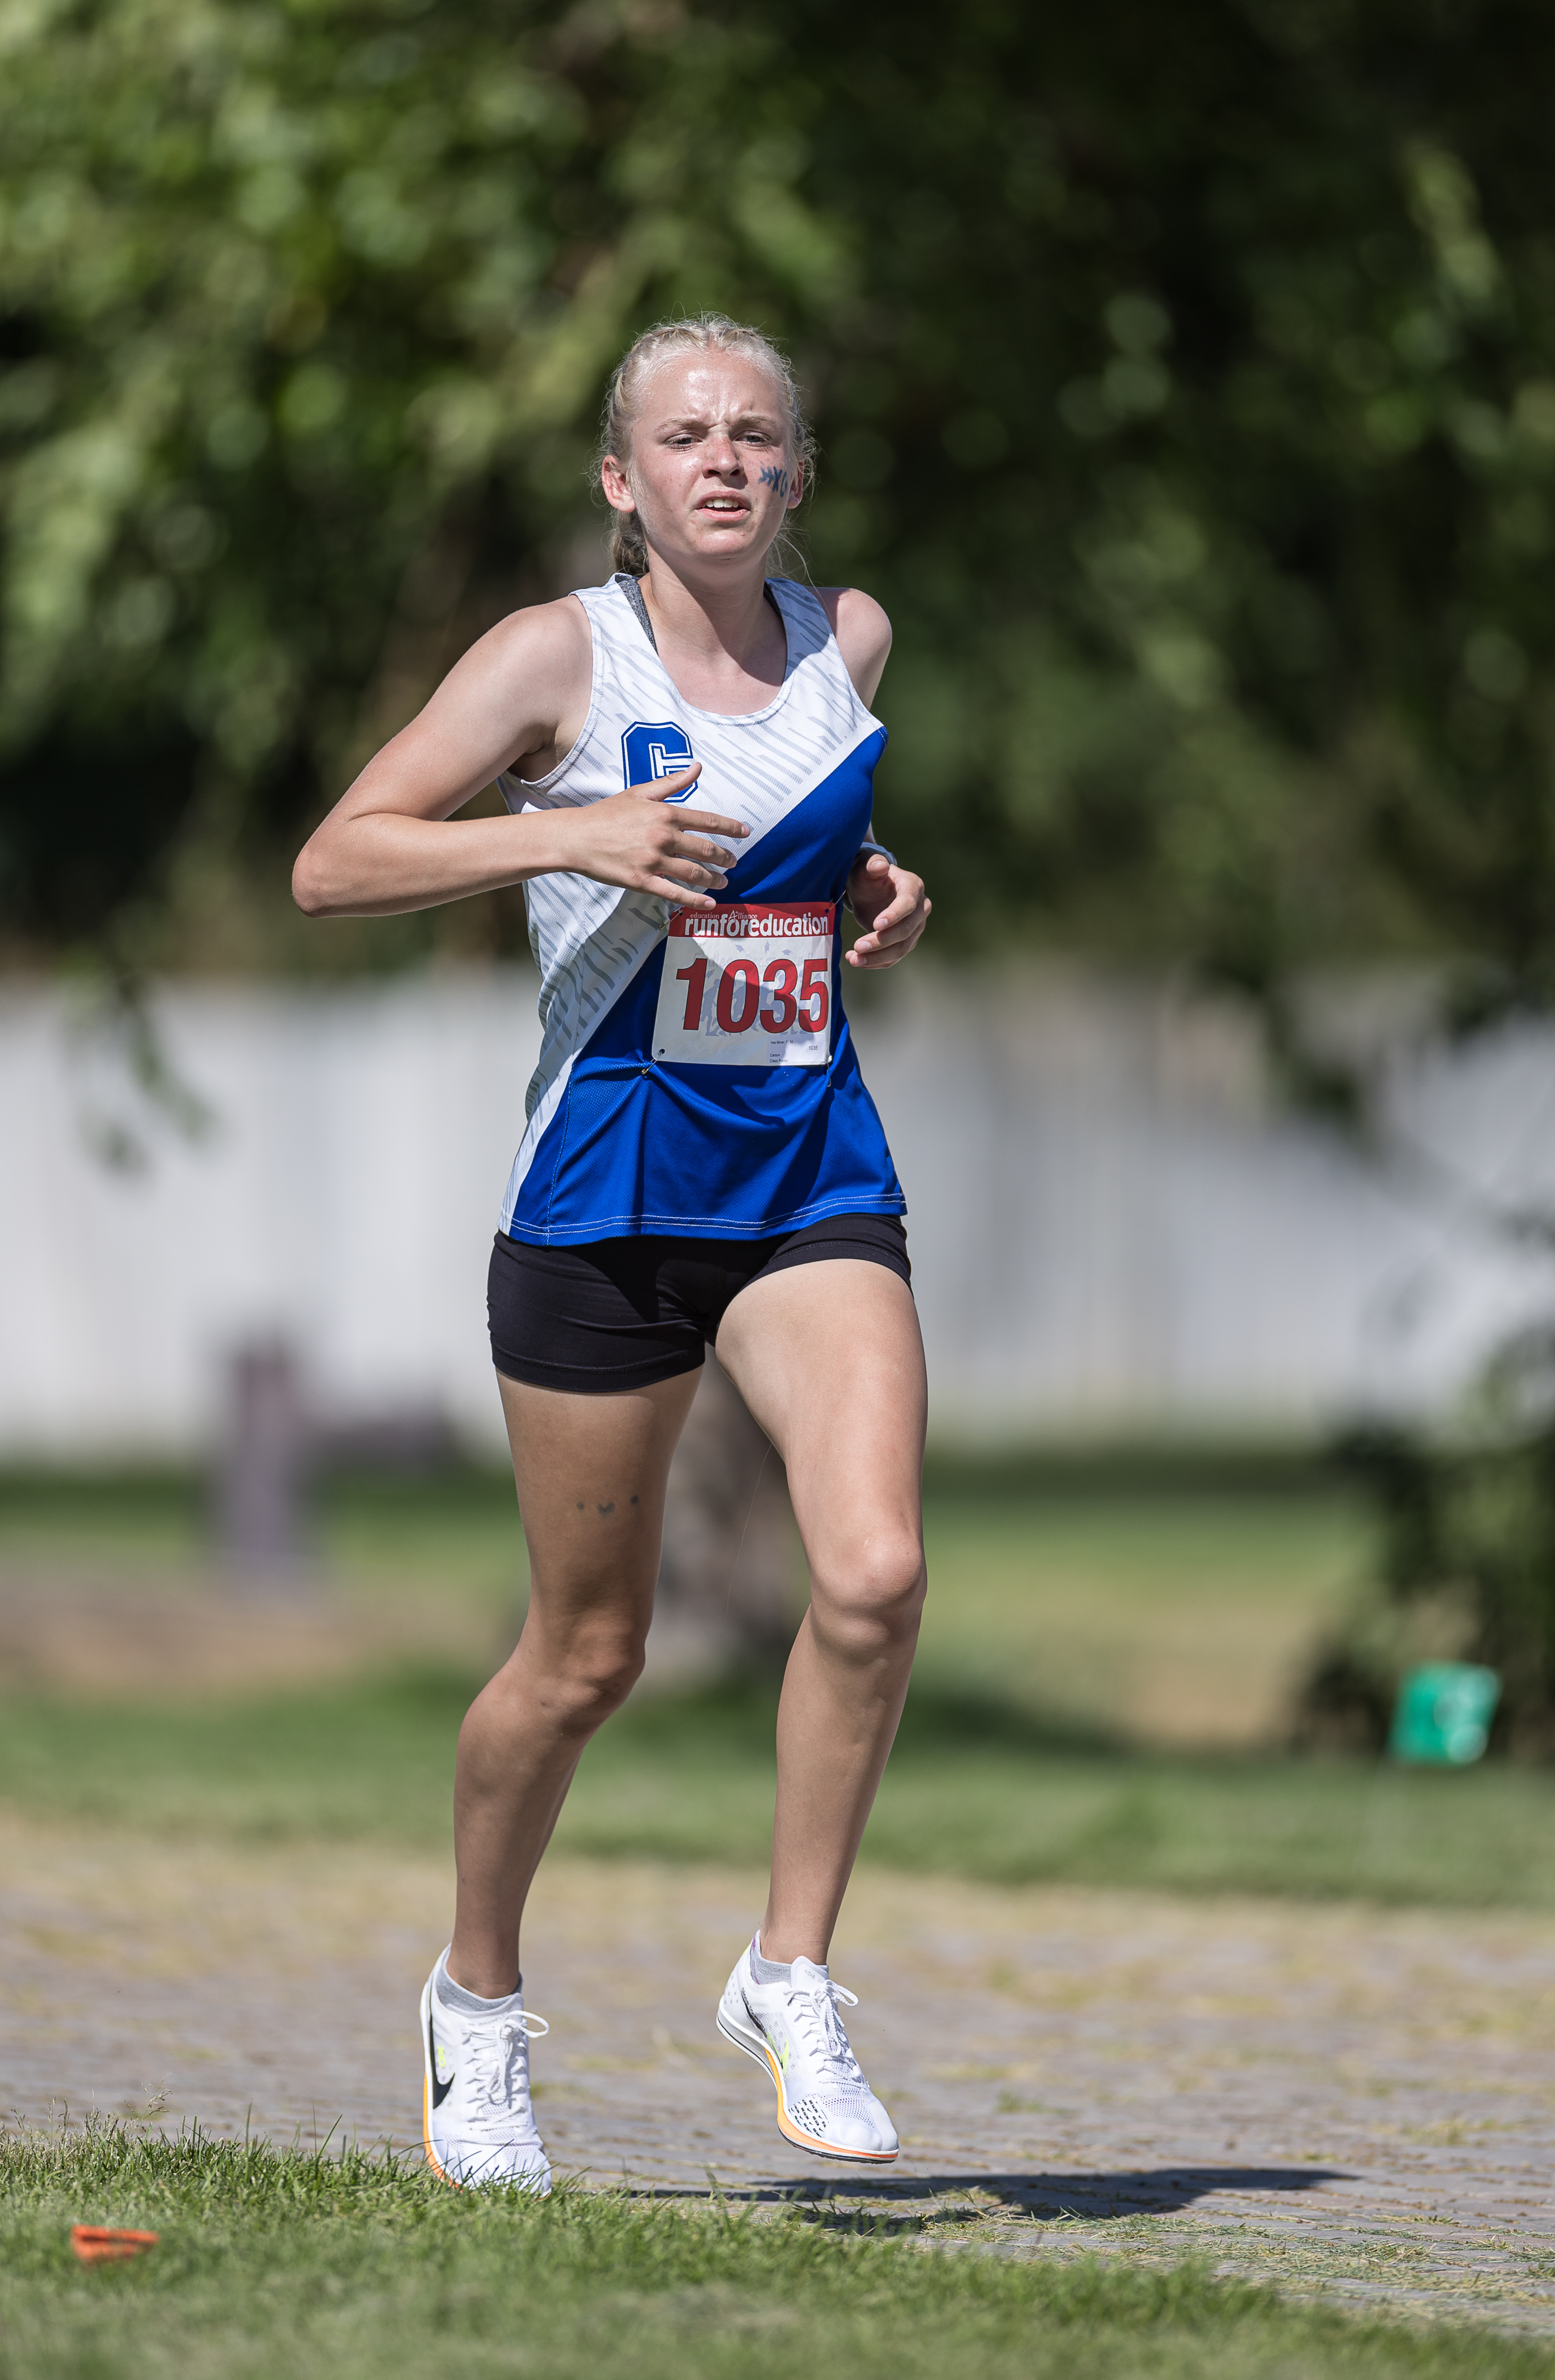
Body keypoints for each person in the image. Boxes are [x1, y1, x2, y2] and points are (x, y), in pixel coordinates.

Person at [293, 314, 932, 2192]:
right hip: (601, 1204)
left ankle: (789, 1969)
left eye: (756, 436)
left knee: (878, 1573)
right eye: (684, 437)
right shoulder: (554, 658)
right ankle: (475, 2010)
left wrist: (875, 892)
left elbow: (812, 859)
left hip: (807, 1174)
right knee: (587, 1656)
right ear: (620, 479)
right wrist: (569, 835)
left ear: (795, 475)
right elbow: (336, 861)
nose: (723, 462)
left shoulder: (854, 641)